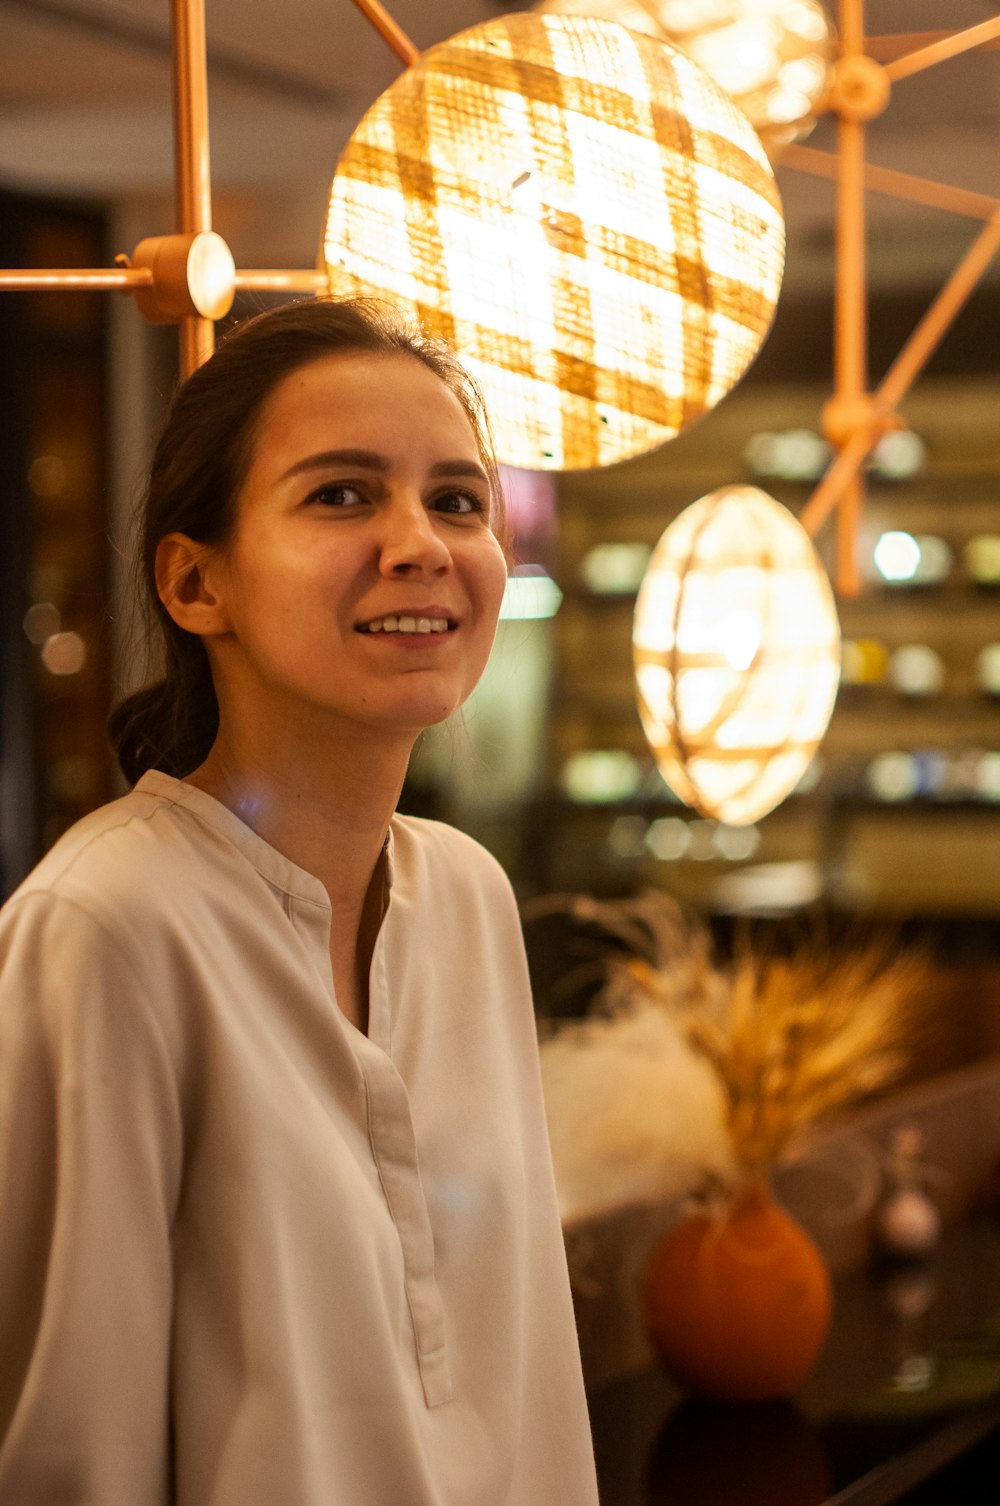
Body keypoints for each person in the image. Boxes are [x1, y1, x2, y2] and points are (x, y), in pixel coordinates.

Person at [0, 298, 599, 1505]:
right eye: (340, 495)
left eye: (456, 499)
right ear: (193, 582)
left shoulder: (471, 898)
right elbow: (70, 1452)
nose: (419, 543)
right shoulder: (108, 923)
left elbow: (529, 1377)